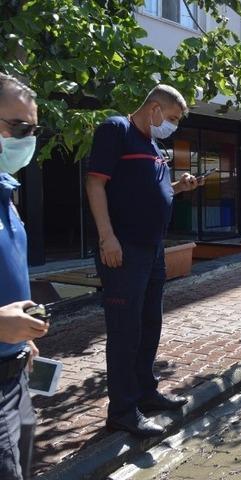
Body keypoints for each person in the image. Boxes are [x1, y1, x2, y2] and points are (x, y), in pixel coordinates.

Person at [85, 85, 203, 437]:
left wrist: (180, 187)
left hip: (152, 250)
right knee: (125, 331)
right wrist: (108, 237)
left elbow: (155, 189)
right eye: (171, 119)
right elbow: (95, 184)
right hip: (123, 249)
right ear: (154, 109)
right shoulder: (116, 129)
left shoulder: (152, 145)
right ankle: (122, 410)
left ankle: (145, 394)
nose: (172, 127)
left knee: (149, 324)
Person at [0, 73, 48, 480]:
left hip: (14, 370)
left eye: (33, 129)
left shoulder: (5, 190)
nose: (28, 138)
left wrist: (24, 338)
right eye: (20, 128)